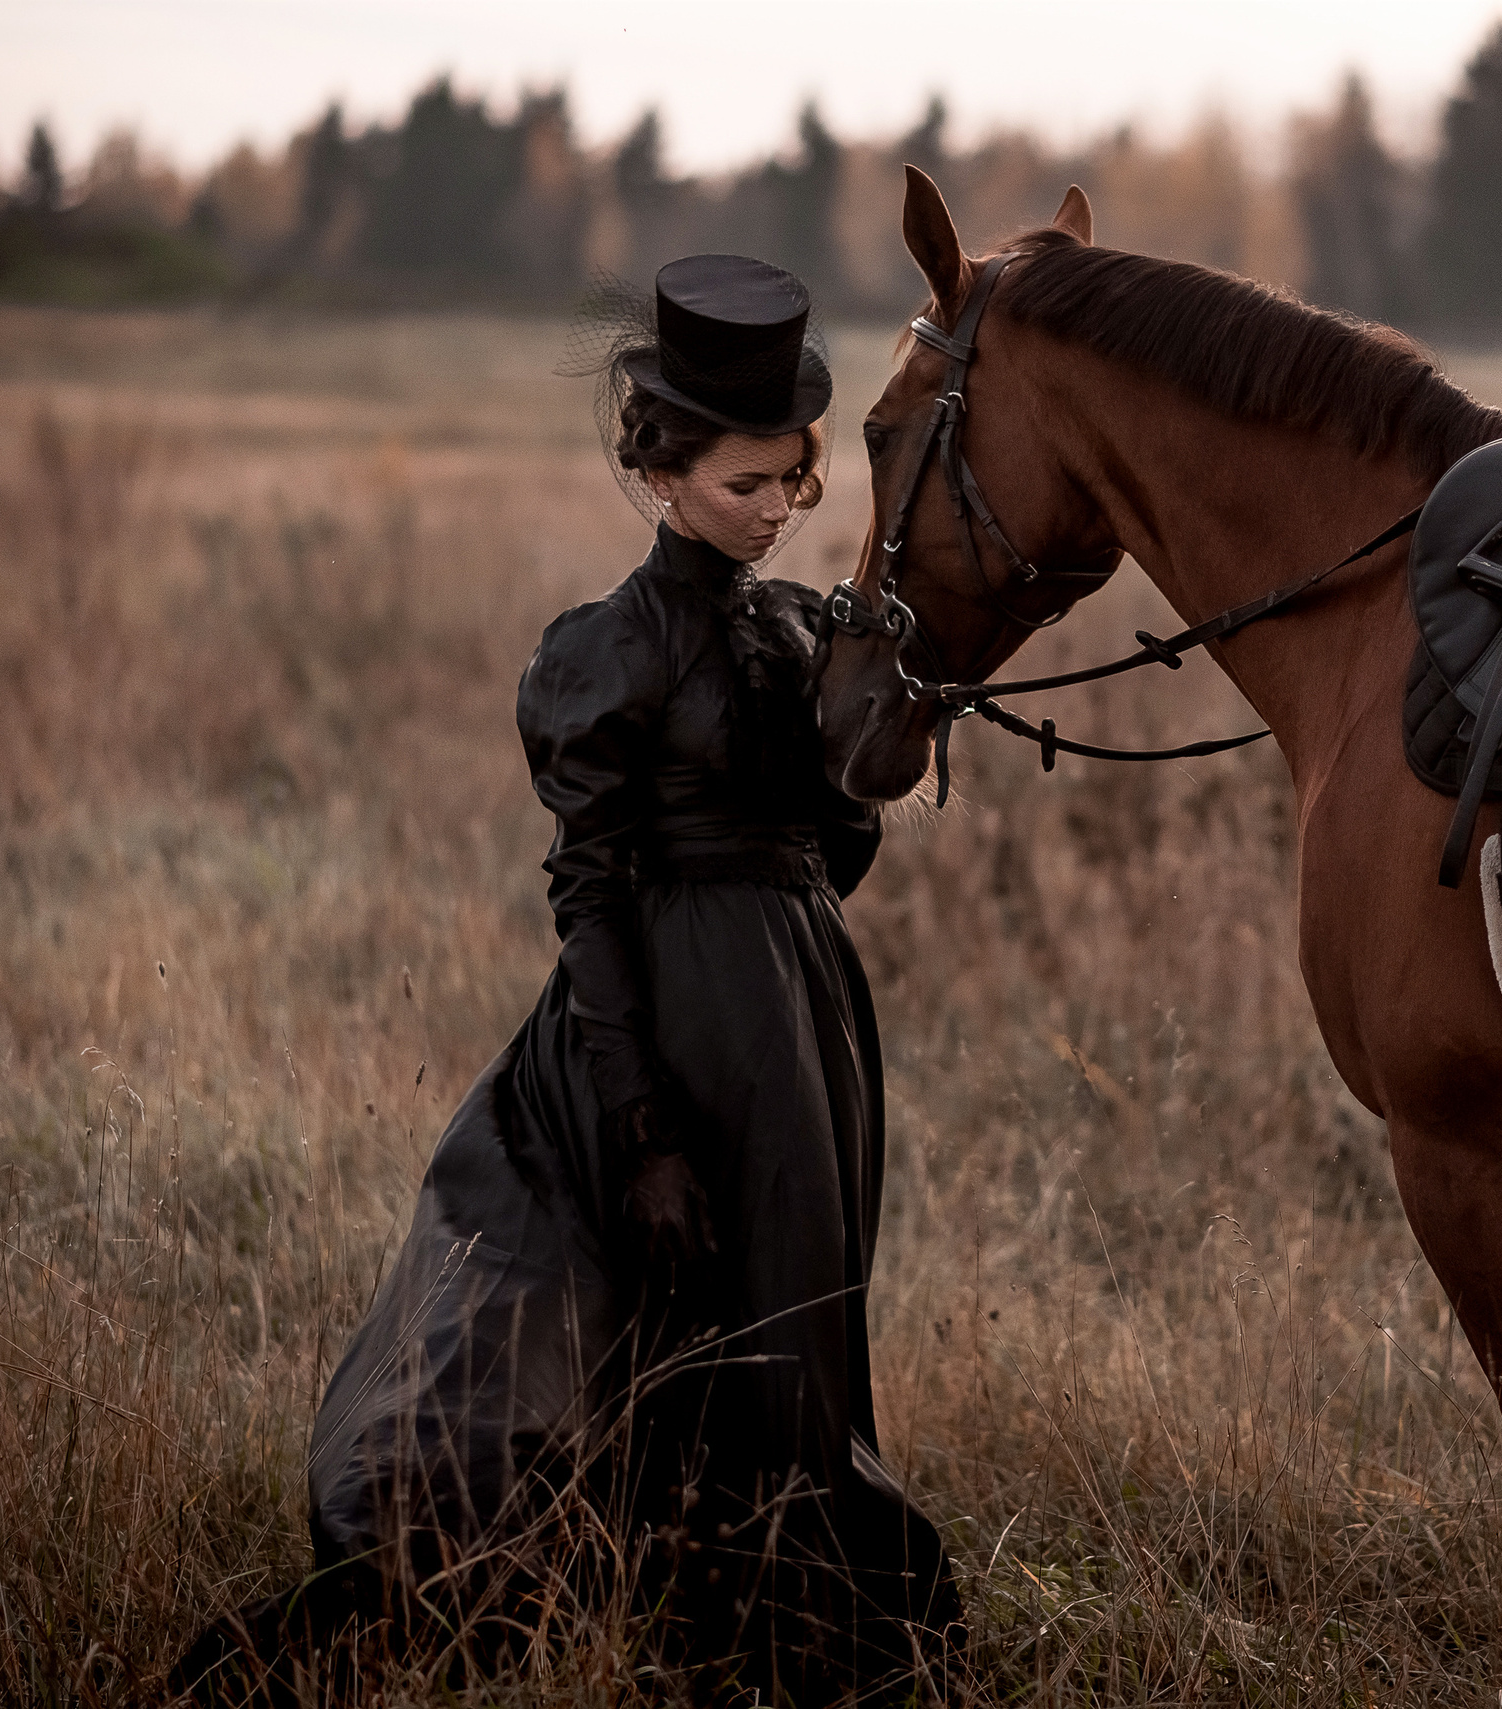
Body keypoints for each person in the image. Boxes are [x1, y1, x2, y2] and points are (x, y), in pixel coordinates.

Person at [172, 255, 960, 1705]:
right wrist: (646, 1123)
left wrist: (863, 767)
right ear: (658, 473)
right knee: (553, 1329)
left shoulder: (800, 633)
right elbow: (589, 895)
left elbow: (834, 840)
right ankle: (533, 1584)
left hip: (800, 1024)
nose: (781, 513)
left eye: (797, 482)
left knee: (787, 1331)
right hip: (654, 1026)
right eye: (747, 488)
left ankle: (760, 1608)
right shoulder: (603, 654)